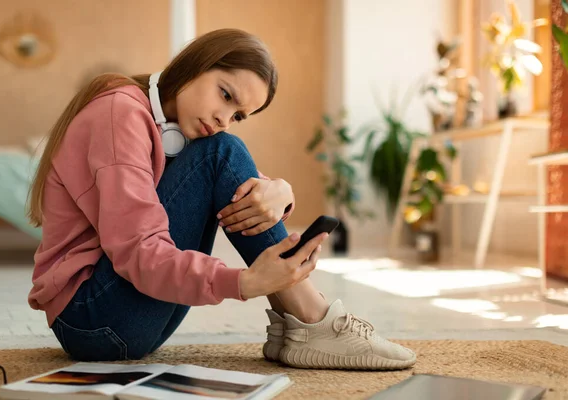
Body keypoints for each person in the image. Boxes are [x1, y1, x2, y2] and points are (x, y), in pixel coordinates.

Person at [26, 28, 416, 370]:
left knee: (219, 151)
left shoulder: (170, 128)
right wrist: (244, 281)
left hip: (119, 318)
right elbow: (138, 252)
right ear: (195, 65)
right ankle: (314, 318)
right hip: (93, 321)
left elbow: (218, 183)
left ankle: (295, 323)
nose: (224, 118)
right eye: (225, 95)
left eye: (239, 114)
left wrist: (280, 192)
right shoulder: (120, 114)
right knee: (220, 151)